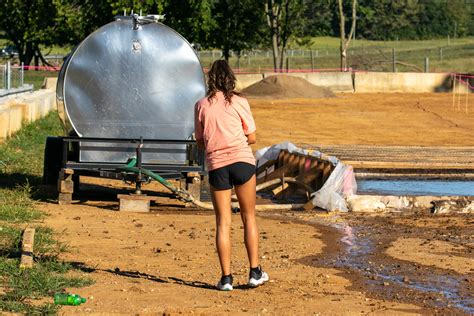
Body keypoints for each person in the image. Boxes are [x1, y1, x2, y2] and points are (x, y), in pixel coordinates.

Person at [194, 60, 269, 291]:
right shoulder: (240, 101)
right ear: (230, 78)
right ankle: (255, 272)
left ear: (210, 80)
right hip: (242, 163)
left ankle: (226, 278)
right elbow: (253, 137)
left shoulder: (201, 105)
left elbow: (199, 141)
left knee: (223, 223)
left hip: (218, 166)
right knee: (249, 217)